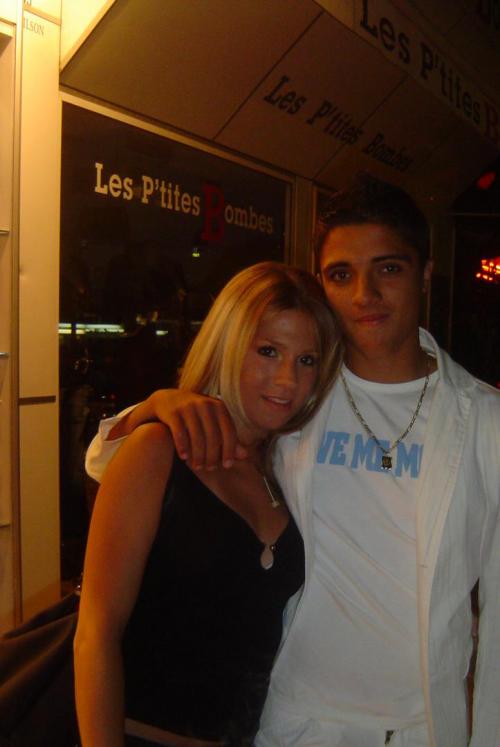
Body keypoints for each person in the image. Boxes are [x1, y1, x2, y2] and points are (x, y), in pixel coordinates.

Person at [86, 175, 500, 747]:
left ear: (425, 275)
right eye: (341, 274)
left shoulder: (483, 421)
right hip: (293, 720)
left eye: (388, 268)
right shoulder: (302, 398)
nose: (365, 294)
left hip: (421, 725)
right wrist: (158, 405)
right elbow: (119, 461)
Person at [74, 261, 342, 747]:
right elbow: (95, 633)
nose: (288, 379)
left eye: (307, 360)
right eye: (268, 351)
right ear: (228, 344)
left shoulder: (287, 471)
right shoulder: (157, 451)